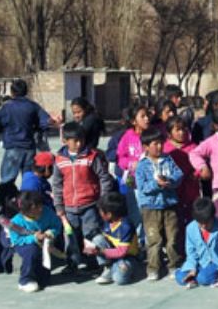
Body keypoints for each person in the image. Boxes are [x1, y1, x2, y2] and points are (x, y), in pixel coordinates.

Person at [52, 122, 113, 272]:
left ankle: (94, 262)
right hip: (69, 207)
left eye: (81, 139)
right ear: (65, 141)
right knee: (71, 236)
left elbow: (104, 178)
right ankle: (72, 263)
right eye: (75, 141)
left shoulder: (92, 157)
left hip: (90, 205)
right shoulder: (60, 160)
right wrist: (59, 207)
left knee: (91, 234)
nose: (79, 143)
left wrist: (102, 200)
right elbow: (57, 185)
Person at [135, 127, 184, 280]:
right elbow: (142, 187)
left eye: (161, 143)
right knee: (154, 239)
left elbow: (179, 174)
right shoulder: (142, 165)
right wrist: (157, 184)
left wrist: (171, 181)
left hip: (170, 205)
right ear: (146, 147)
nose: (159, 147)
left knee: (172, 237)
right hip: (150, 208)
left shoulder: (168, 160)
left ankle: (173, 265)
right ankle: (153, 268)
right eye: (155, 144)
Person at [0, 79, 60, 183]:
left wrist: (3, 128)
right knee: (29, 180)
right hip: (29, 149)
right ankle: (28, 198)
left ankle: (7, 198)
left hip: (13, 148)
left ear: (12, 92)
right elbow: (46, 122)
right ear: (26, 91)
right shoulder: (33, 106)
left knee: (7, 181)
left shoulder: (6, 107)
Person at [10, 191, 62, 293]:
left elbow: (57, 225)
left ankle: (39, 275)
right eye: (36, 208)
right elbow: (16, 240)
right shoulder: (16, 222)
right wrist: (34, 238)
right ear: (25, 211)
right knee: (32, 250)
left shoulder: (47, 212)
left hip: (45, 244)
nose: (40, 209)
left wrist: (50, 232)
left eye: (40, 206)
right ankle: (25, 280)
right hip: (25, 245)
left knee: (44, 280)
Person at [175, 197, 218, 288]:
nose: (204, 225)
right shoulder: (190, 228)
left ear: (213, 217)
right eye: (200, 223)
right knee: (180, 277)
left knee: (203, 278)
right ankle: (194, 276)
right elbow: (191, 252)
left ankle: (198, 278)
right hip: (199, 263)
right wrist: (192, 268)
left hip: (215, 263)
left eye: (207, 222)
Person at [88, 192, 141, 285]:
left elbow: (121, 252)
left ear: (109, 214)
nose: (99, 213)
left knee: (120, 280)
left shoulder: (126, 226)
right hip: (112, 255)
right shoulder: (107, 222)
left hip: (127, 257)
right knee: (97, 239)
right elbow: (103, 241)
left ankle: (125, 268)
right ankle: (108, 267)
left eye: (101, 211)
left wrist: (101, 251)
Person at [116, 103, 150, 233]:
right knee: (135, 213)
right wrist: (131, 164)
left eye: (147, 115)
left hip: (149, 182)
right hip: (133, 182)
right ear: (133, 121)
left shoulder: (152, 135)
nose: (147, 119)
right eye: (143, 116)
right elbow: (121, 158)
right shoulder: (127, 137)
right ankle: (138, 245)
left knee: (148, 213)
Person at [163, 117, 200, 233]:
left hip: (190, 190)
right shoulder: (165, 148)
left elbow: (201, 164)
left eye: (184, 129)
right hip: (172, 190)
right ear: (169, 133)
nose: (182, 132)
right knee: (174, 222)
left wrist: (196, 173)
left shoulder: (194, 147)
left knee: (191, 218)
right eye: (177, 130)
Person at [0, 181, 20, 273]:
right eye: (11, 198)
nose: (15, 200)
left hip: (22, 246)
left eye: (16, 195)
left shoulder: (24, 213)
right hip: (8, 251)